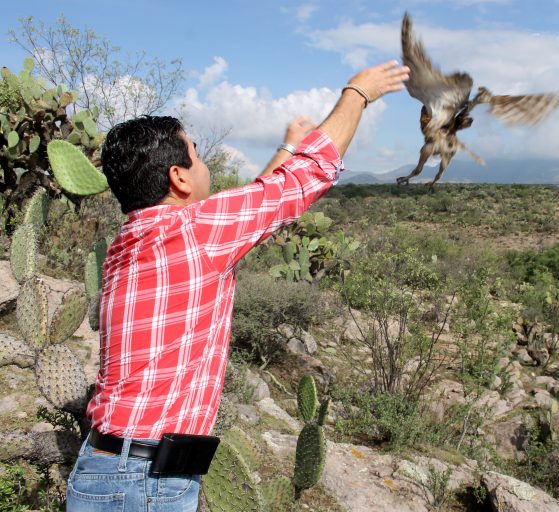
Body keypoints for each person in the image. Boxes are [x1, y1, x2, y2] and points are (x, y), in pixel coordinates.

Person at [66, 60, 409, 511]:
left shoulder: (128, 243)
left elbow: (254, 210)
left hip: (98, 467)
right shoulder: (194, 232)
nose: (203, 164)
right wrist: (358, 93)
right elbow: (303, 178)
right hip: (145, 482)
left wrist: (288, 145)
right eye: (196, 155)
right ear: (179, 178)